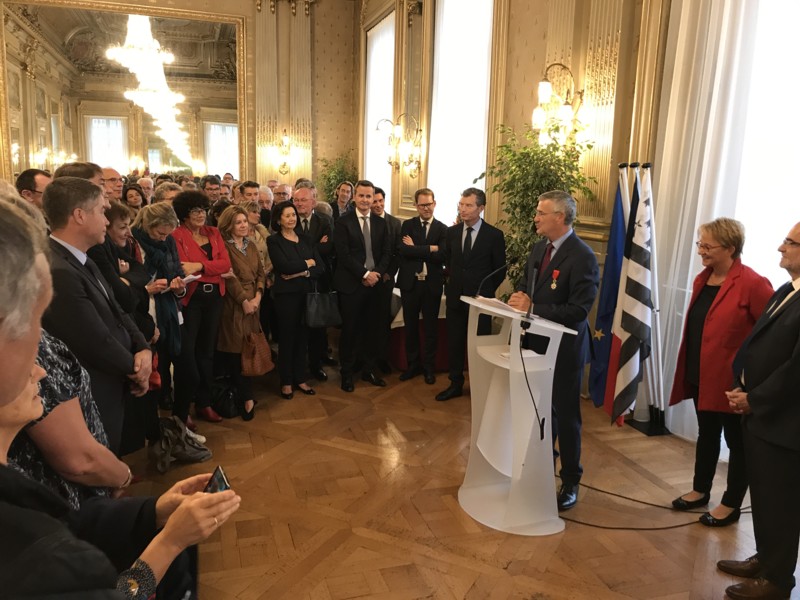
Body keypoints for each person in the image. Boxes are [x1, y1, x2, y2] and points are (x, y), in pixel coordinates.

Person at [0, 199, 241, 598]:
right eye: (32, 325)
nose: (42, 366)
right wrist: (169, 542)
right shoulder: (38, 560)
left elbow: (68, 521)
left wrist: (153, 511)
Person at [669, 218, 773, 526]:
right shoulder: (703, 279)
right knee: (707, 433)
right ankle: (700, 490)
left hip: (733, 382)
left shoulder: (753, 283)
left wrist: (751, 380)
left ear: (730, 248)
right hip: (701, 373)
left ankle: (731, 504)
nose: (700, 251)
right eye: (699, 244)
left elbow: (771, 333)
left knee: (737, 443)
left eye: (706, 246)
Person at [717, 222, 800, 600]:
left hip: (785, 421)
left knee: (781, 502)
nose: (781, 247)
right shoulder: (787, 289)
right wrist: (742, 385)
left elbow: (796, 369)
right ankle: (765, 560)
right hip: (761, 413)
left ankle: (778, 581)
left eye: (790, 242)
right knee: (764, 496)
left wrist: (757, 398)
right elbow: (757, 343)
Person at [41, 177, 152, 454]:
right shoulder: (59, 270)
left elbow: (117, 309)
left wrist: (143, 348)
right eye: (101, 212)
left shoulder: (82, 257)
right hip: (94, 388)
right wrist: (136, 369)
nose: (106, 220)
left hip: (114, 378)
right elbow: (93, 339)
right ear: (79, 215)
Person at [508, 191, 599, 511]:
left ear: (560, 217)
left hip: (564, 351)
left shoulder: (583, 256)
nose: (535, 217)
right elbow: (524, 285)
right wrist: (518, 300)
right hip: (535, 344)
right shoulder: (538, 249)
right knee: (539, 411)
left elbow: (578, 310)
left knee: (566, 415)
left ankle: (571, 478)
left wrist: (534, 307)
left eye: (541, 212)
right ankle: (542, 466)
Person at [437, 187, 506, 401]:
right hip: (456, 297)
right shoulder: (452, 232)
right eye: (461, 205)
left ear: (481, 208)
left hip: (481, 300)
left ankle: (480, 385)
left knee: (480, 344)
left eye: (468, 205)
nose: (463, 209)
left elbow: (499, 270)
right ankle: (455, 383)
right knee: (455, 342)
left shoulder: (494, 235)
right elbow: (449, 262)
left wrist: (484, 291)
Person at [171, 191, 233, 427]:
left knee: (207, 352)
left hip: (215, 298)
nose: (200, 215)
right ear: (184, 214)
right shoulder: (177, 236)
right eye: (194, 211)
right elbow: (182, 268)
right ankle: (183, 406)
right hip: (191, 300)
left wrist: (199, 266)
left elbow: (225, 263)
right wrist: (210, 269)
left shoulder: (214, 232)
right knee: (188, 355)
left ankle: (204, 402)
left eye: (202, 210)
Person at [333, 180, 393, 392]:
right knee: (350, 331)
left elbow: (387, 252)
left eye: (369, 196)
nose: (366, 200)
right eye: (362, 196)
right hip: (352, 285)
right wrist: (365, 274)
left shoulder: (380, 222)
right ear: (354, 197)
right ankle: (347, 374)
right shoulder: (343, 222)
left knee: (372, 330)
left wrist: (376, 274)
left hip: (375, 285)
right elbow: (343, 255)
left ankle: (368, 370)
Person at [131, 203, 187, 414]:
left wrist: (179, 287)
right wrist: (148, 289)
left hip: (169, 308)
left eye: (167, 234)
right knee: (153, 365)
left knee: (177, 364)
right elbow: (129, 284)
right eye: (160, 233)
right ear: (147, 224)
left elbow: (177, 272)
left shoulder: (169, 241)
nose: (164, 238)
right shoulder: (133, 242)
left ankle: (172, 409)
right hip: (145, 311)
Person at [268, 201, 324, 399]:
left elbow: (320, 267)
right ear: (278, 219)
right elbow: (283, 267)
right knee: (287, 339)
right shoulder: (273, 241)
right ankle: (286, 381)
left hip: (306, 295)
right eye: (287, 215)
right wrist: (307, 264)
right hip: (286, 298)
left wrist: (301, 272)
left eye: (294, 215)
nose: (292, 218)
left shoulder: (307, 239)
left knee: (303, 339)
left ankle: (300, 378)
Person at [217, 205, 267, 420]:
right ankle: (245, 397)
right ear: (229, 225)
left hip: (254, 303)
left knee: (250, 348)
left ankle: (246, 394)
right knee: (237, 352)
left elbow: (261, 274)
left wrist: (257, 296)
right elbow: (228, 277)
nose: (244, 225)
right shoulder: (223, 247)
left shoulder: (252, 245)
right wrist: (244, 300)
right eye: (238, 222)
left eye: (245, 221)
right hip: (234, 305)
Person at [397, 188, 447, 385]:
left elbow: (442, 255)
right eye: (422, 205)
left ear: (435, 203)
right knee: (410, 327)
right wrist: (430, 248)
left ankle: (428, 368)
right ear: (416, 206)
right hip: (410, 284)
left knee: (430, 328)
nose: (426, 208)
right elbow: (403, 251)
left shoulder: (443, 229)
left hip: (432, 285)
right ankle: (413, 365)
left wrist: (416, 248)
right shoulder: (407, 225)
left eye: (429, 204)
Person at [293, 182, 335, 381]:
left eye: (303, 200)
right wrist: (317, 246)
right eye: (296, 200)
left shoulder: (324, 220)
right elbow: (290, 251)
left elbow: (329, 249)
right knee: (299, 328)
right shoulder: (288, 220)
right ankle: (299, 368)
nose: (299, 204)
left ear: (313, 202)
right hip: (296, 282)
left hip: (320, 280)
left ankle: (317, 364)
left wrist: (307, 251)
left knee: (318, 327)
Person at [371, 186, 402, 374]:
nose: (377, 204)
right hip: (365, 279)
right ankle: (364, 357)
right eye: (374, 201)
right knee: (366, 320)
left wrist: (388, 272)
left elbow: (397, 252)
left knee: (382, 320)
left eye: (380, 200)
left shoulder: (395, 223)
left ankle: (381, 358)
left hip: (385, 280)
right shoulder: (365, 222)